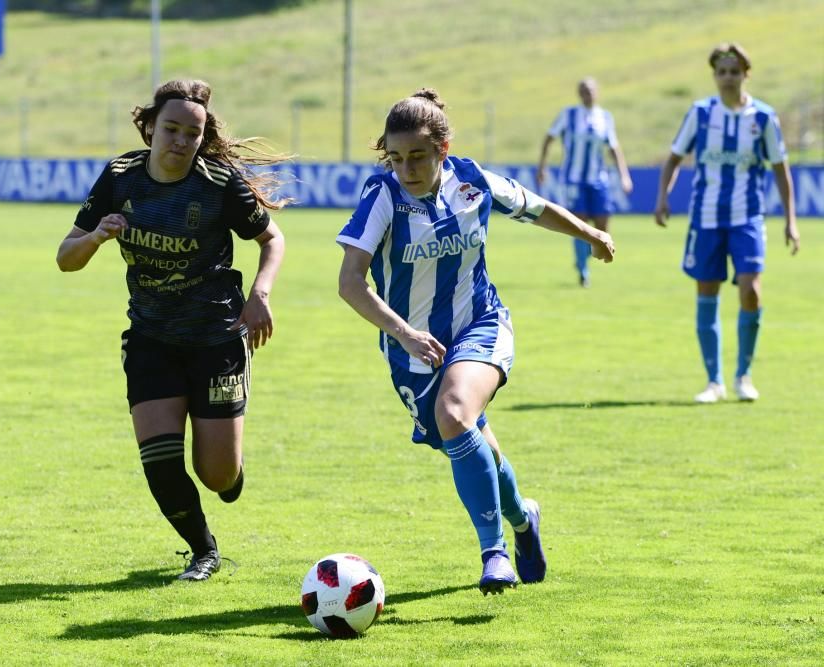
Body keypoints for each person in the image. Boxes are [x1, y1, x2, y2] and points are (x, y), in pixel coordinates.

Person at [337, 89, 616, 595]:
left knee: (455, 412)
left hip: (480, 324)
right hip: (413, 351)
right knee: (472, 441)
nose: (406, 168)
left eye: (417, 156)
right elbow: (351, 282)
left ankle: (494, 555)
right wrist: (405, 333)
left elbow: (536, 207)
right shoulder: (382, 195)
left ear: (443, 148)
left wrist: (589, 234)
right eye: (396, 158)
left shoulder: (472, 180)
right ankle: (523, 517)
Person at [56, 79, 288, 581]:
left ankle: (229, 467)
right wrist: (97, 236)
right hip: (151, 338)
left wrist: (260, 296)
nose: (180, 141)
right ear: (150, 127)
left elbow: (272, 240)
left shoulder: (217, 183)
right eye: (171, 129)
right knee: (160, 459)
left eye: (192, 133)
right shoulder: (119, 178)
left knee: (217, 474)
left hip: (217, 338)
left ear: (203, 137)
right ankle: (203, 551)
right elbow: (65, 259)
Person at [654, 43, 800, 404]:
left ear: (745, 74)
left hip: (747, 217)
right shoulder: (701, 114)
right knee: (707, 293)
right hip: (705, 218)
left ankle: (743, 375)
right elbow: (674, 158)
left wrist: (790, 221)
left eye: (735, 71)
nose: (728, 77)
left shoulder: (763, 118)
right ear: (715, 76)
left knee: (751, 290)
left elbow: (781, 171)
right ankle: (714, 381)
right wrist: (663, 196)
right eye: (722, 71)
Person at [536, 77, 632, 287]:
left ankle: (583, 257)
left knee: (602, 225)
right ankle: (583, 270)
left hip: (599, 179)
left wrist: (624, 175)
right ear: (579, 94)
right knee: (579, 224)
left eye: (590, 90)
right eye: (583, 90)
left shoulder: (605, 117)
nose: (587, 94)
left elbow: (614, 148)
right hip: (574, 179)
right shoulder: (568, 115)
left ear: (597, 92)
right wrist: (542, 166)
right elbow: (549, 138)